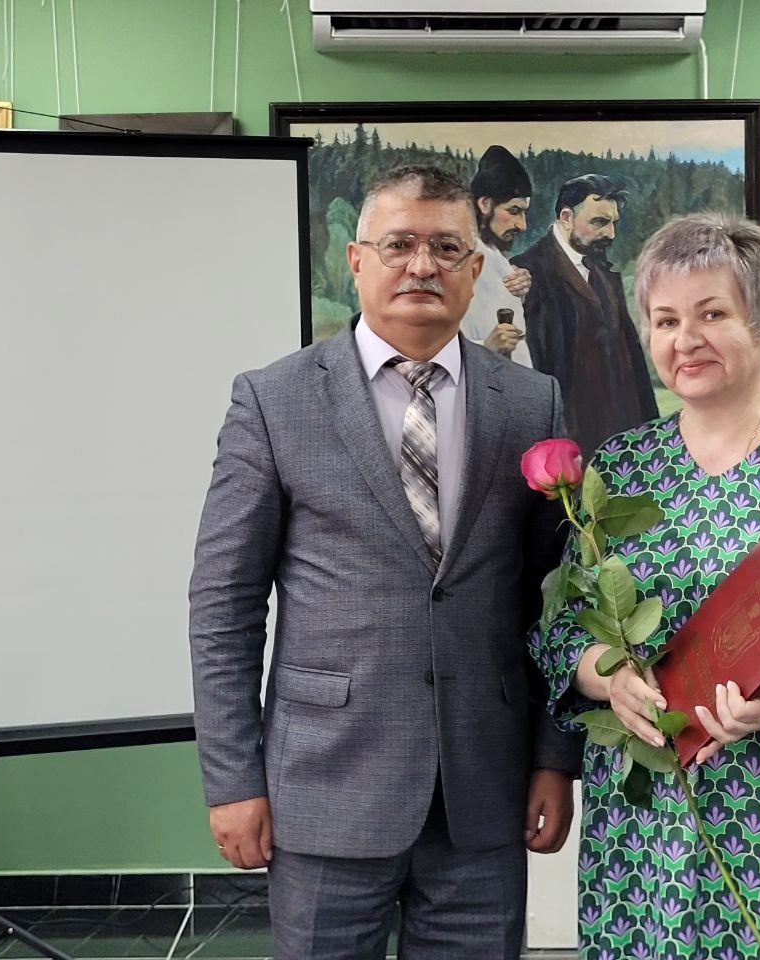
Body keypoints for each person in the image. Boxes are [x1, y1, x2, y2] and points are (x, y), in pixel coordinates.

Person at [189, 165, 582, 960]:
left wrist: (554, 756)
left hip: (484, 789)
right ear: (356, 260)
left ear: (476, 267)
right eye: (399, 244)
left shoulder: (530, 403)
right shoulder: (273, 400)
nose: (422, 265)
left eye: (446, 247)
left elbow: (557, 601)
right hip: (325, 790)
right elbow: (224, 604)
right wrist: (233, 778)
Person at [530, 213, 760, 959]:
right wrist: (606, 676)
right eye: (665, 320)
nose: (685, 339)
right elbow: (559, 630)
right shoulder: (622, 466)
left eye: (712, 314)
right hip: (644, 823)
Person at [513, 173, 658, 455]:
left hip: (624, 446)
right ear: (566, 217)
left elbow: (632, 361)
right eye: (599, 222)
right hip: (567, 449)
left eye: (613, 223)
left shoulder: (604, 272)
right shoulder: (525, 274)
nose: (610, 234)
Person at [460, 144, 534, 367]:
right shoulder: (455, 261)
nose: (522, 225)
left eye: (523, 212)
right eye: (514, 211)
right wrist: (486, 348)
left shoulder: (496, 257)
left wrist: (522, 292)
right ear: (485, 204)